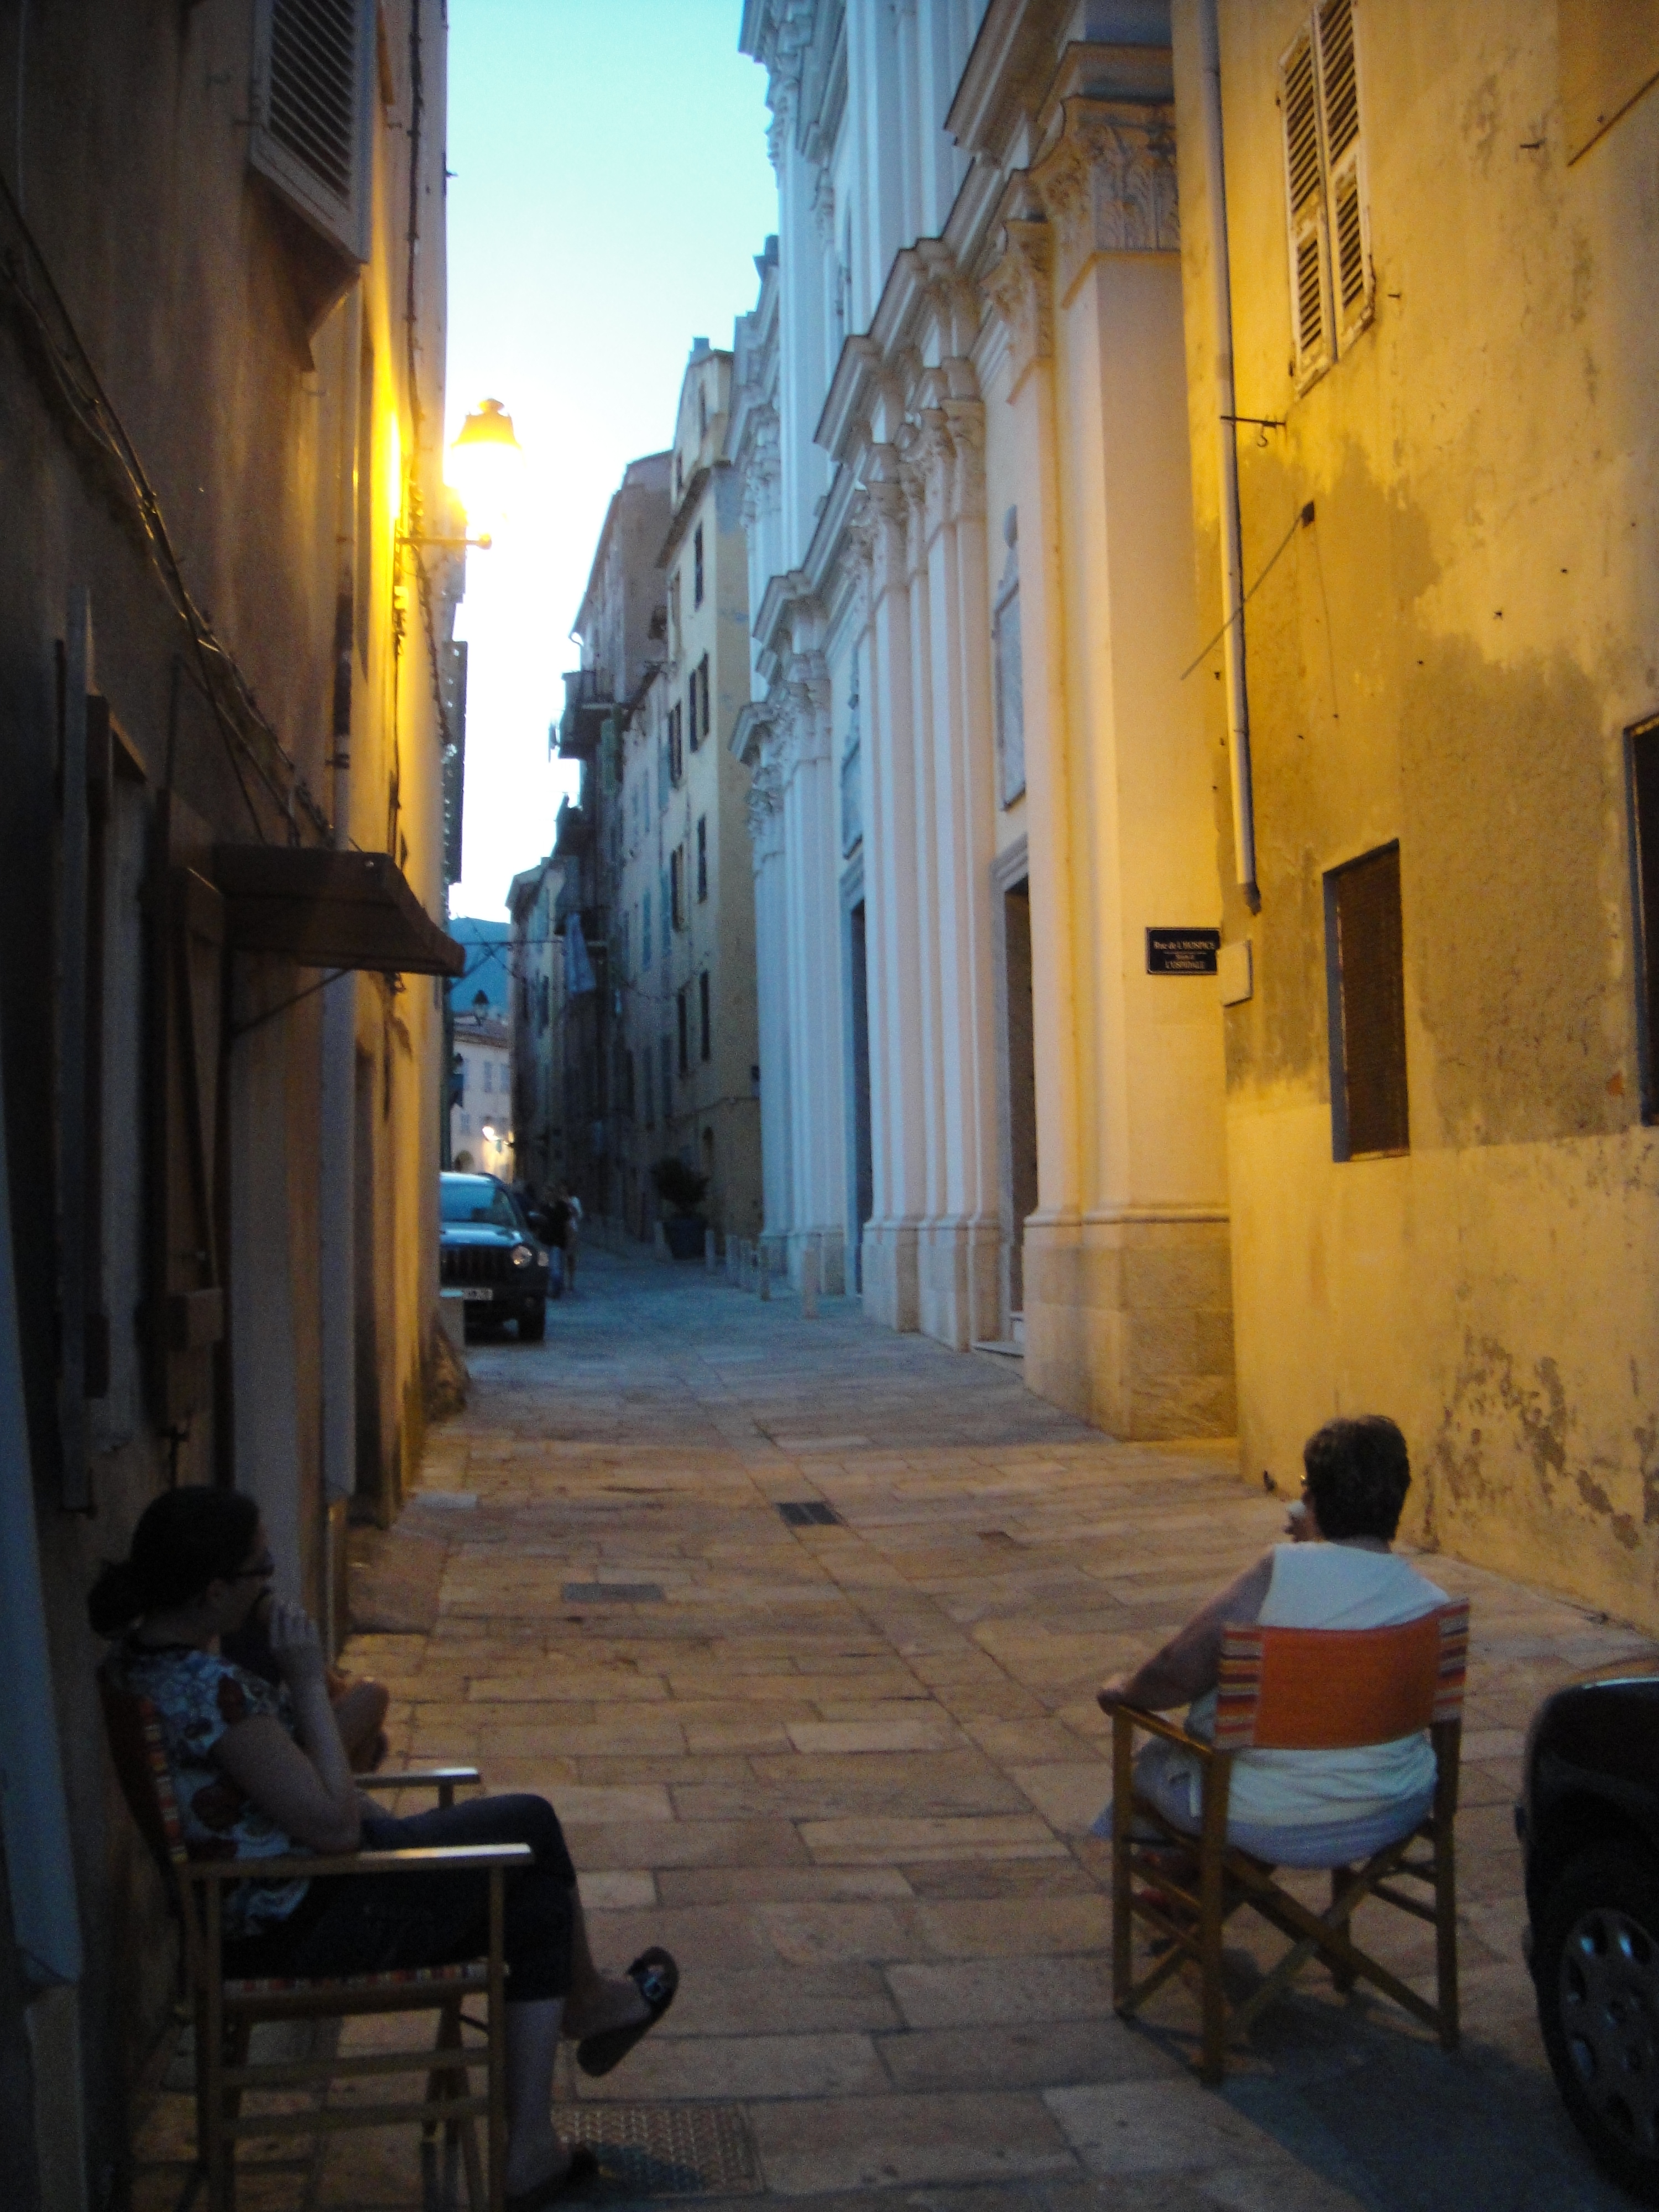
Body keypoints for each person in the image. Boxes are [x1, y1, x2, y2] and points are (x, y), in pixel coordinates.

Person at [92, 1489, 677, 2211]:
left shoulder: (138, 1666)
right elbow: (336, 1828)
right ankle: (581, 2017)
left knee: (530, 1893)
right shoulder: (210, 1694)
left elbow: (294, 1781)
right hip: (308, 1920)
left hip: (261, 1912)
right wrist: (305, 1677)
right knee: (533, 1828)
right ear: (214, 1591)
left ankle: (537, 2137)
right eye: (260, 1569)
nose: (270, 1582)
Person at [1095, 1415, 1449, 1867]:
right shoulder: (1432, 1604)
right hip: (1397, 1807)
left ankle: (1188, 1885)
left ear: (1313, 1498)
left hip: (1265, 1816)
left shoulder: (1281, 1572)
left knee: (1156, 1760)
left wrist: (1125, 1692)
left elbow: (1174, 1671)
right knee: (1250, 1767)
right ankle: (1206, 1889)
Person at [556, 1182, 582, 1296]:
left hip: (572, 1231)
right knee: (560, 1256)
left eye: (565, 1188)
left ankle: (570, 1282)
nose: (563, 1190)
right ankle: (561, 1280)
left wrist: (570, 1205)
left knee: (571, 1257)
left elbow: (579, 1215)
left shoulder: (574, 1200)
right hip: (561, 1230)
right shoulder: (558, 1200)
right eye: (561, 1188)